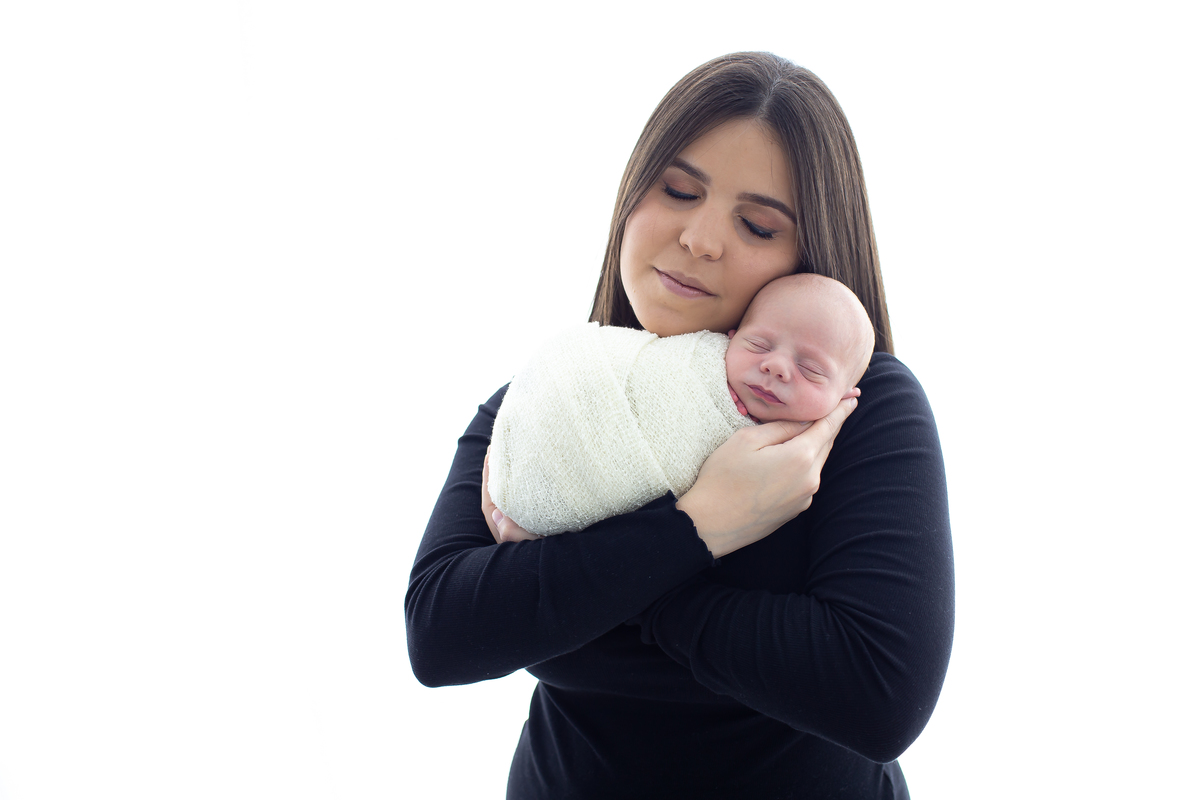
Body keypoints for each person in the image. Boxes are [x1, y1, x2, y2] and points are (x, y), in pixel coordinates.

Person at [406, 52, 953, 799]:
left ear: (810, 258)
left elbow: (877, 693)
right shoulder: (545, 400)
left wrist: (586, 586)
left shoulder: (853, 407)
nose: (700, 239)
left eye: (758, 225)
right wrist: (697, 527)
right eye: (677, 190)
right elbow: (439, 635)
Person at [487, 273, 874, 536]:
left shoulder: (863, 430)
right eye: (758, 345)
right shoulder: (691, 365)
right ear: (728, 337)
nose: (775, 366)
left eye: (810, 369)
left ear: (846, 396)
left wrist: (557, 567)